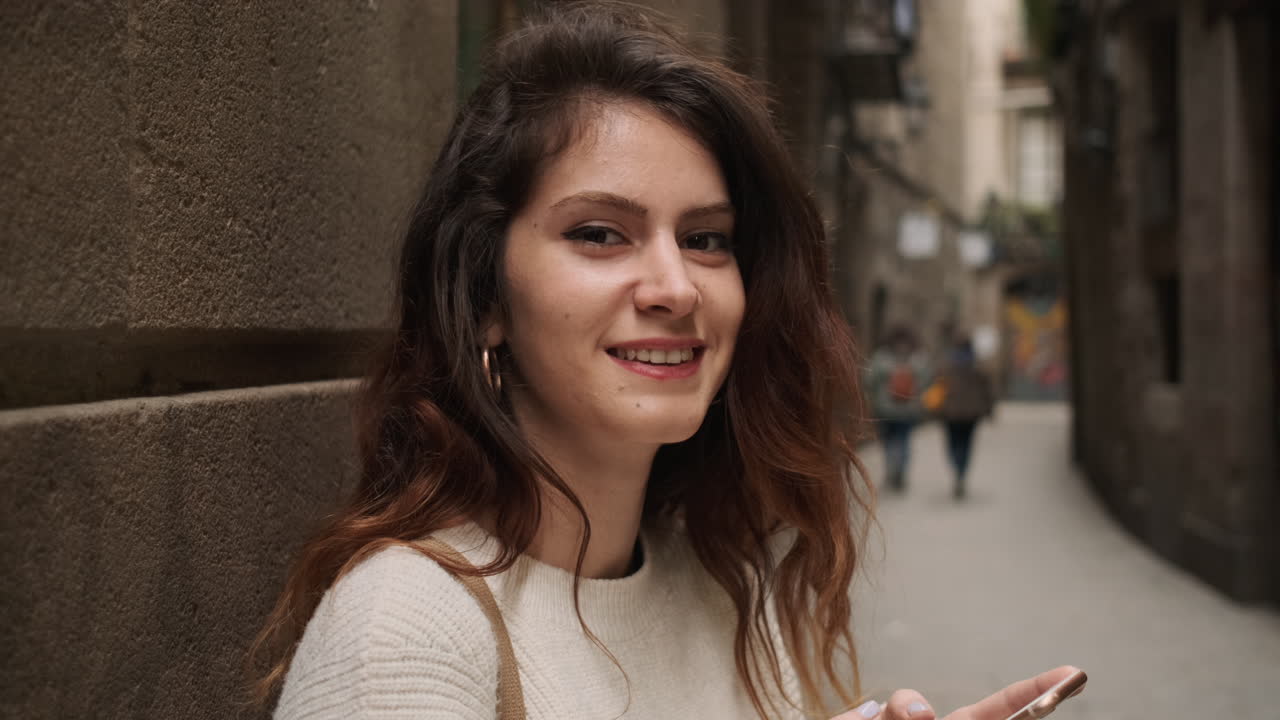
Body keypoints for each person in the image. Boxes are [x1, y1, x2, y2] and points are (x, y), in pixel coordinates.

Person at [250, 3, 1081, 719]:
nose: (676, 286)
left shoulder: (724, 589)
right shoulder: (404, 633)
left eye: (706, 239)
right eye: (600, 233)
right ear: (488, 300)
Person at [864, 326, 931, 492]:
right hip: (908, 410)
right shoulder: (918, 358)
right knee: (904, 441)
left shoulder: (881, 357)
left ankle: (890, 471)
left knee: (888, 443)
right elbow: (926, 381)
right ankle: (900, 472)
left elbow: (868, 380)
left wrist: (874, 397)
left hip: (884, 409)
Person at [934, 339, 995, 500]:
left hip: (950, 413)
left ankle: (957, 468)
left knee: (952, 444)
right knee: (966, 444)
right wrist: (989, 411)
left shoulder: (946, 366)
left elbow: (937, 388)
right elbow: (987, 391)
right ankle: (961, 471)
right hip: (971, 414)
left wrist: (936, 411)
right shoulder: (978, 366)